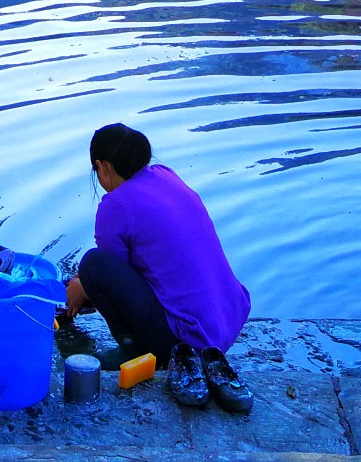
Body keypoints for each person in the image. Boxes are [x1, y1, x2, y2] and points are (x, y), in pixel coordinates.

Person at [63, 122, 254, 413]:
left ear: (102, 167)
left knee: (92, 263)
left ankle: (139, 348)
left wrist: (81, 286)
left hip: (191, 339)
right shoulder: (166, 175)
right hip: (229, 317)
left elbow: (110, 271)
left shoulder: (115, 206)